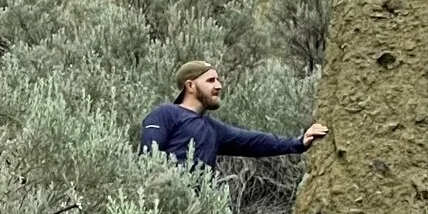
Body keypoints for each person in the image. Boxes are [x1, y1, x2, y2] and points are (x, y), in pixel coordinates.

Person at [139, 58, 328, 171]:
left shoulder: (212, 129)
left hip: (199, 213)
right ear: (190, 86)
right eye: (211, 80)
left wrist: (298, 143)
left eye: (218, 80)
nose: (219, 85)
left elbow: (254, 141)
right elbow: (148, 160)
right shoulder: (165, 114)